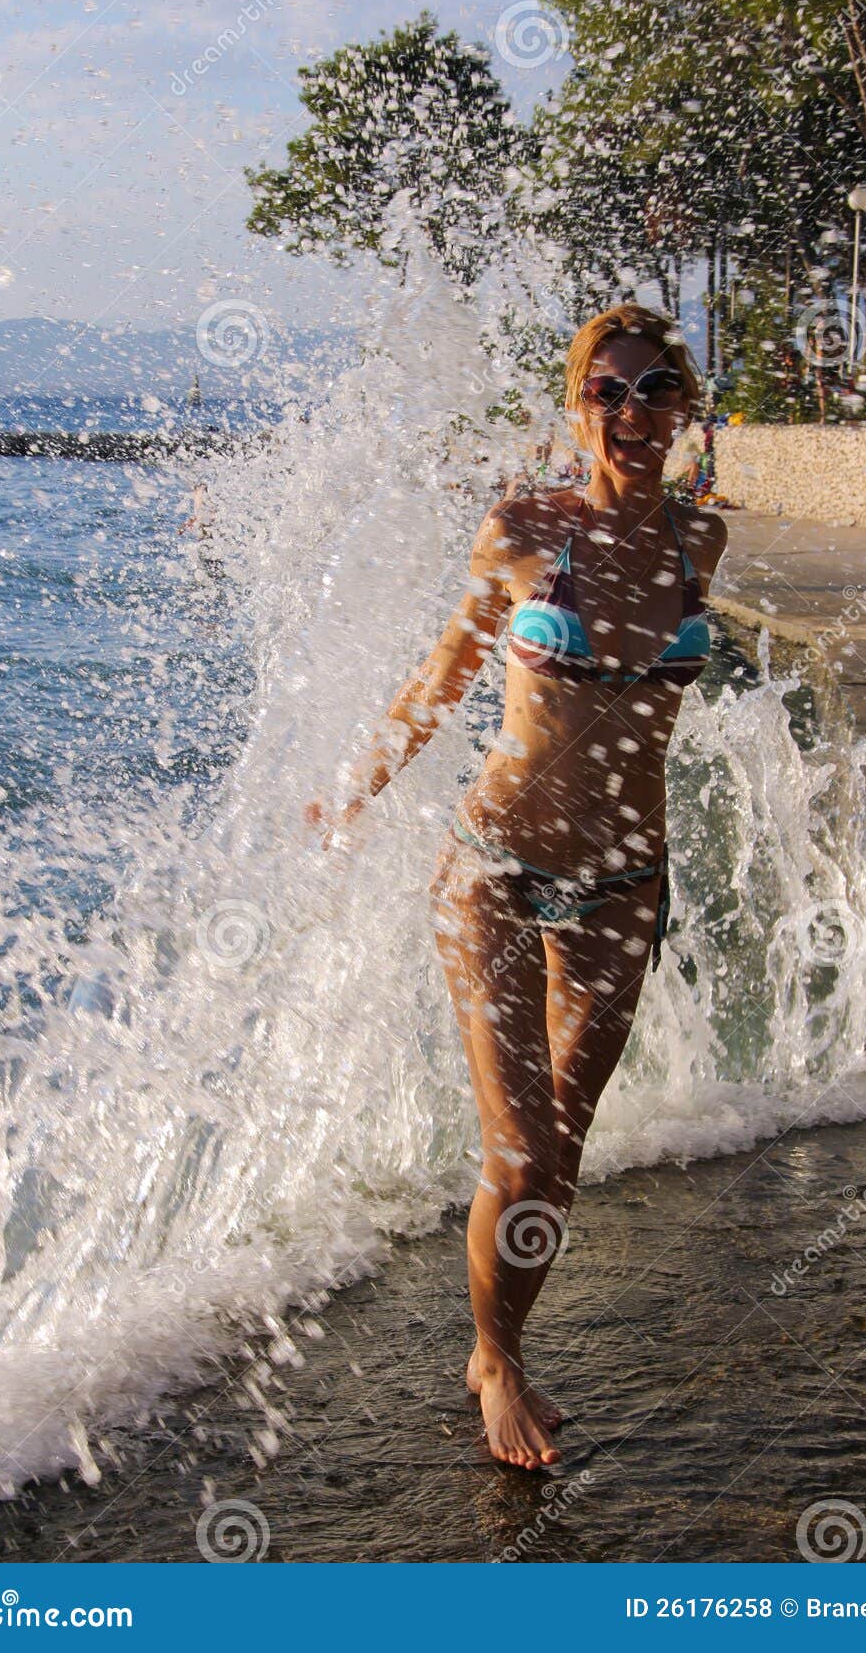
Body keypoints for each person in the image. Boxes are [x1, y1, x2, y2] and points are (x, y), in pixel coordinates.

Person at [305, 304, 727, 1470]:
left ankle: (503, 1340)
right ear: (574, 405)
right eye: (608, 391)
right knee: (522, 1150)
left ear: (683, 409)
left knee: (566, 1155)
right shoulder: (522, 529)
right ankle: (494, 1358)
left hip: (624, 879)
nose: (631, 412)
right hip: (494, 862)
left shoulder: (702, 546)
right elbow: (437, 683)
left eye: (654, 391)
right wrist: (351, 790)